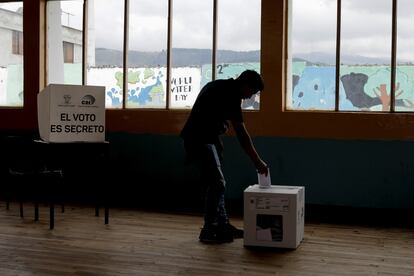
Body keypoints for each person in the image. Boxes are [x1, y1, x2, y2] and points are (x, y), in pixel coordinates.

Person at [180, 70, 269, 243]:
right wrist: (258, 162)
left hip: (206, 139)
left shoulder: (223, 87)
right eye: (252, 91)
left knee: (217, 184)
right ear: (245, 84)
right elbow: (241, 134)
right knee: (217, 184)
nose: (251, 96)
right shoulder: (230, 94)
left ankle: (222, 224)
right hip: (199, 140)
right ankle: (209, 230)